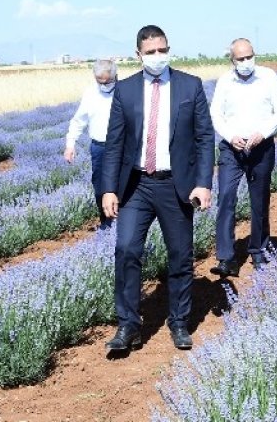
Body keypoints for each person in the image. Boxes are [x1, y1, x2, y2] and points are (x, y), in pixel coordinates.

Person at [100, 25, 214, 352]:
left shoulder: (190, 86)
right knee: (126, 250)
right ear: (139, 55)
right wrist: (109, 188)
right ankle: (128, 325)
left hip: (174, 185)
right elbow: (114, 143)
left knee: (179, 255)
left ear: (168, 49)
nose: (157, 56)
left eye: (161, 50)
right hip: (136, 185)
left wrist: (203, 182)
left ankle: (179, 321)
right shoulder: (125, 90)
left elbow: (205, 138)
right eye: (150, 52)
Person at [209, 38, 277, 277]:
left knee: (259, 200)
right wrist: (230, 136)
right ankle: (226, 257)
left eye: (249, 57)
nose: (246, 62)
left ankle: (258, 250)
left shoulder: (268, 77)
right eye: (240, 58)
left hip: (260, 148)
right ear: (232, 60)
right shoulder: (225, 81)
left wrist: (261, 133)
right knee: (226, 198)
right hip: (231, 149)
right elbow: (216, 113)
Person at [64, 59, 118, 229]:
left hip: (123, 147)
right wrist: (70, 144)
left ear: (115, 76)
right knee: (100, 186)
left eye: (107, 81)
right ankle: (106, 223)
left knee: (125, 185)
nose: (104, 85)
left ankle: (125, 224)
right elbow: (78, 120)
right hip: (99, 147)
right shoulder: (90, 93)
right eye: (99, 81)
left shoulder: (126, 90)